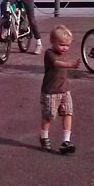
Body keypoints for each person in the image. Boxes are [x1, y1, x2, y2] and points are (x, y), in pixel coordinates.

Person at [40, 25, 80, 154]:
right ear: (53, 41)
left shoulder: (64, 53)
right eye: (62, 45)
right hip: (50, 91)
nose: (65, 48)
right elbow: (57, 63)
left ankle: (66, 141)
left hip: (64, 90)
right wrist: (71, 65)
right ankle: (44, 136)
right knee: (49, 116)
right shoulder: (49, 54)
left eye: (67, 45)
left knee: (68, 112)